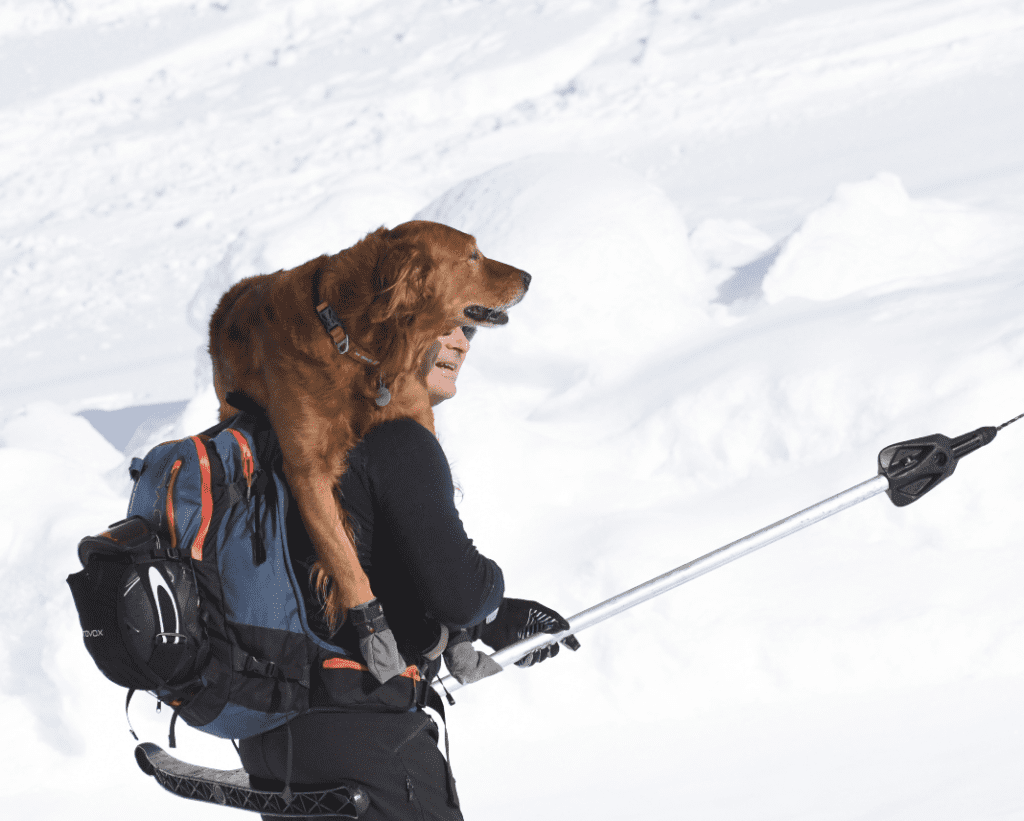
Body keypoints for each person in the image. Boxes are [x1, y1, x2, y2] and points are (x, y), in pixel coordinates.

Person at [237, 325, 577, 821]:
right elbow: (459, 591)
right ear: (395, 332)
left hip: (274, 733)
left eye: (471, 330)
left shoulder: (305, 436)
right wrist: (488, 598)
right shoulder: (396, 439)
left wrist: (489, 624)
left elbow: (358, 574)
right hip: (362, 734)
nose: (462, 343)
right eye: (444, 326)